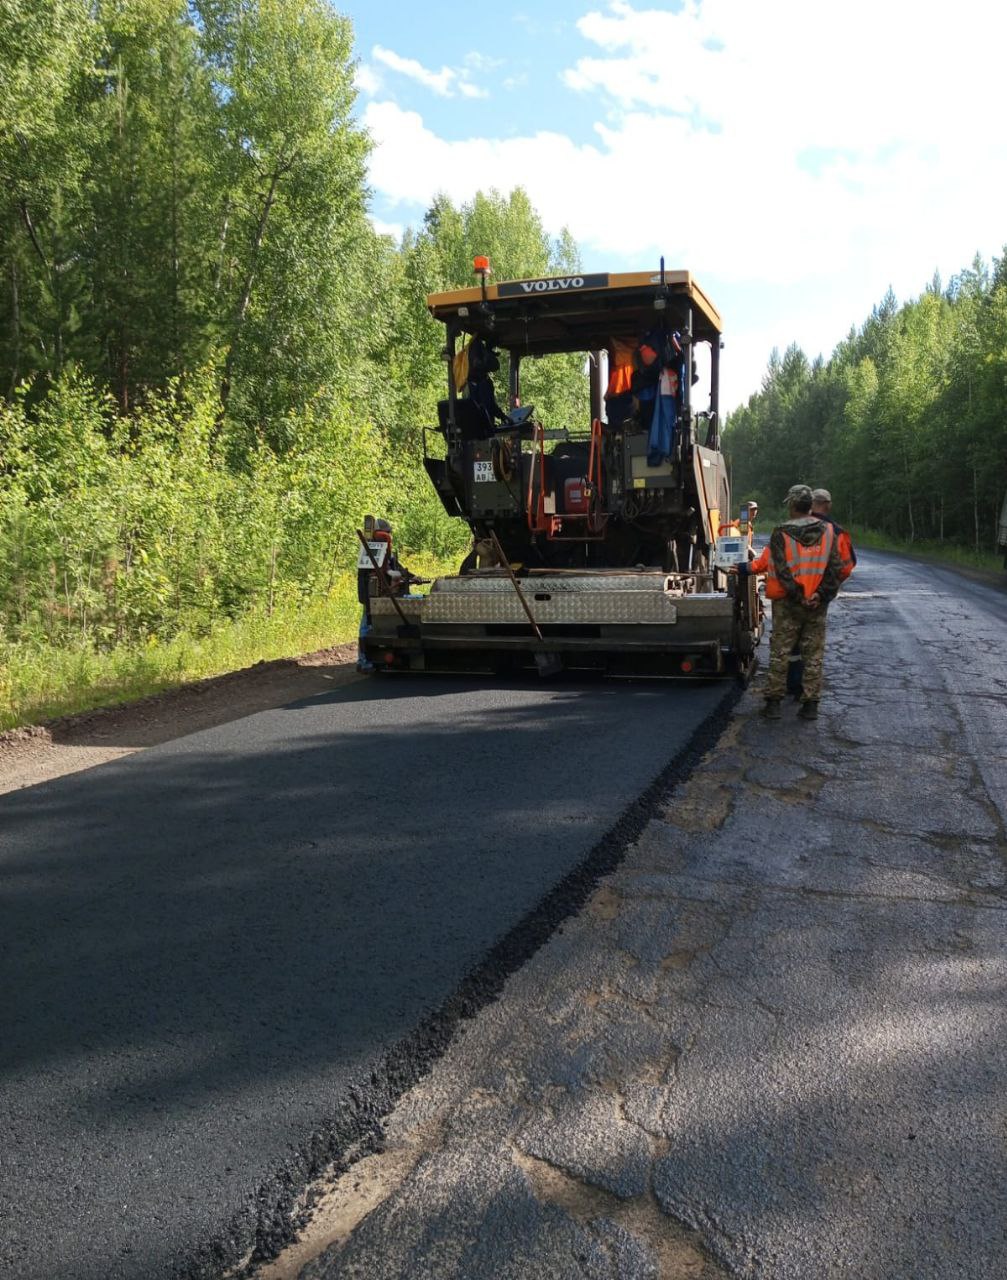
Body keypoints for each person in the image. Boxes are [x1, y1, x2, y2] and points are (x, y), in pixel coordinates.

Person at [737, 483, 843, 720]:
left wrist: (799, 596)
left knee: (780, 652)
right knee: (813, 654)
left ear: (793, 505)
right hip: (817, 605)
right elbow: (836, 569)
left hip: (788, 603)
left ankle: (774, 704)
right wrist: (819, 595)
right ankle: (810, 706)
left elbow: (783, 572)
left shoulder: (781, 533)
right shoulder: (828, 531)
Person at [356, 518, 417, 672]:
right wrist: (398, 576)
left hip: (382, 594)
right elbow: (384, 571)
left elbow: (393, 567)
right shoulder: (372, 551)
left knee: (375, 624)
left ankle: (368, 658)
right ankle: (363, 660)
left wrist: (410, 576)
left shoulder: (384, 551)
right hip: (372, 596)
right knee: (368, 625)